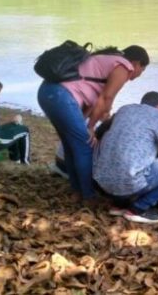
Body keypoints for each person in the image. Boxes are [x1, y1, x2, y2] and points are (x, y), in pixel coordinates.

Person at [37, 45, 149, 204]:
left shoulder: (105, 61)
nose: (139, 74)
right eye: (142, 70)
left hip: (47, 92)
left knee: (71, 145)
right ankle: (88, 196)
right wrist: (90, 128)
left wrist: (87, 123)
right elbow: (106, 98)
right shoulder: (124, 66)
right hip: (61, 96)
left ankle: (77, 191)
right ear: (136, 63)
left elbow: (93, 101)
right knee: (85, 146)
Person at [94, 91, 158, 223]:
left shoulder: (124, 109)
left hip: (101, 183)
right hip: (128, 184)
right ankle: (138, 209)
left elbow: (102, 131)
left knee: (130, 159)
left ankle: (118, 205)